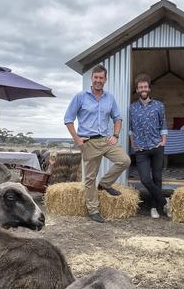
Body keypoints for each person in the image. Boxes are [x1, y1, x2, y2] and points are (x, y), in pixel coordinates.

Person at [64, 64, 131, 223]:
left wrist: (115, 134)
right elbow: (68, 119)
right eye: (96, 77)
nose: (98, 80)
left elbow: (118, 119)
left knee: (125, 161)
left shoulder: (110, 98)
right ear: (91, 78)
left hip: (106, 140)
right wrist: (77, 139)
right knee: (90, 178)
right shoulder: (80, 97)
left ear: (105, 80)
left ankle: (106, 183)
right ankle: (93, 210)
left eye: (101, 78)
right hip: (89, 142)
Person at [129, 73, 170, 219]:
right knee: (146, 179)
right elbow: (131, 128)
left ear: (149, 88)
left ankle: (154, 207)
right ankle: (165, 202)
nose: (143, 89)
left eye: (145, 86)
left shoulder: (159, 105)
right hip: (141, 150)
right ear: (137, 89)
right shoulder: (132, 107)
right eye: (140, 87)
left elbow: (163, 124)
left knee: (157, 178)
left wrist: (163, 140)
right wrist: (132, 143)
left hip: (157, 146)